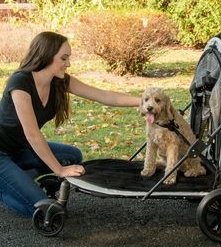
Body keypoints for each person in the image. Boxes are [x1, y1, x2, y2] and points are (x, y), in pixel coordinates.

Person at [0, 31, 141, 218]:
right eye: (64, 58)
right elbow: (32, 134)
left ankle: (16, 177)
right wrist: (58, 170)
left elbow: (105, 96)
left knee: (72, 156)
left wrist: (144, 101)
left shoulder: (59, 81)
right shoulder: (20, 82)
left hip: (20, 150)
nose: (69, 64)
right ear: (46, 56)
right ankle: (7, 185)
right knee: (47, 212)